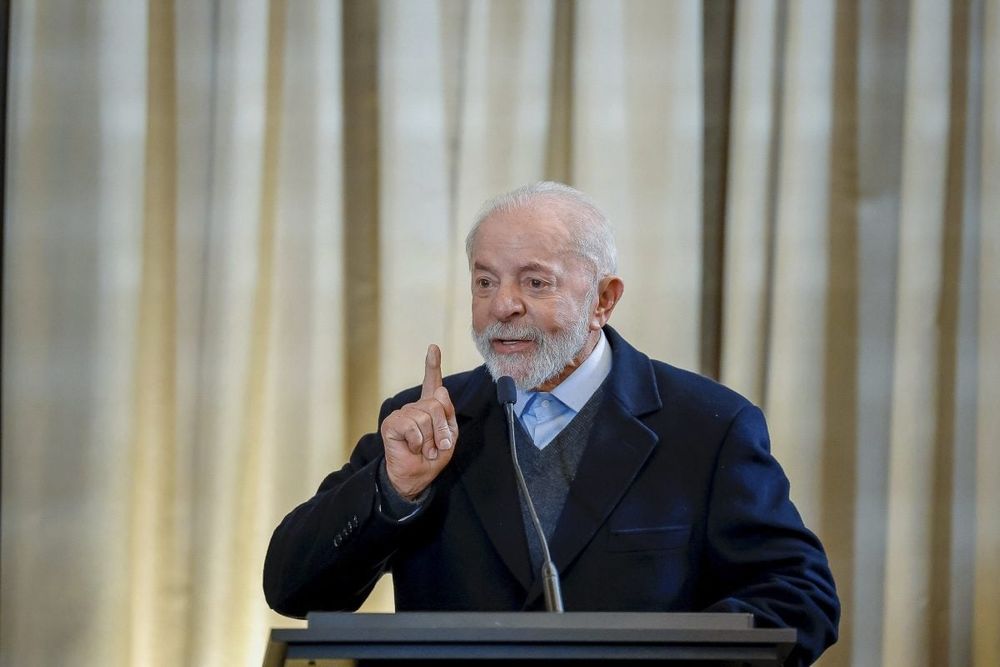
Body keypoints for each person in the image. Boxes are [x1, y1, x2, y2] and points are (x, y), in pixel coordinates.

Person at [263, 182, 839, 664]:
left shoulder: (708, 426)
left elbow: (799, 597)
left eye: (535, 282)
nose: (503, 305)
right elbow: (292, 588)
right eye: (485, 281)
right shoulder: (426, 420)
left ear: (603, 300)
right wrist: (393, 490)